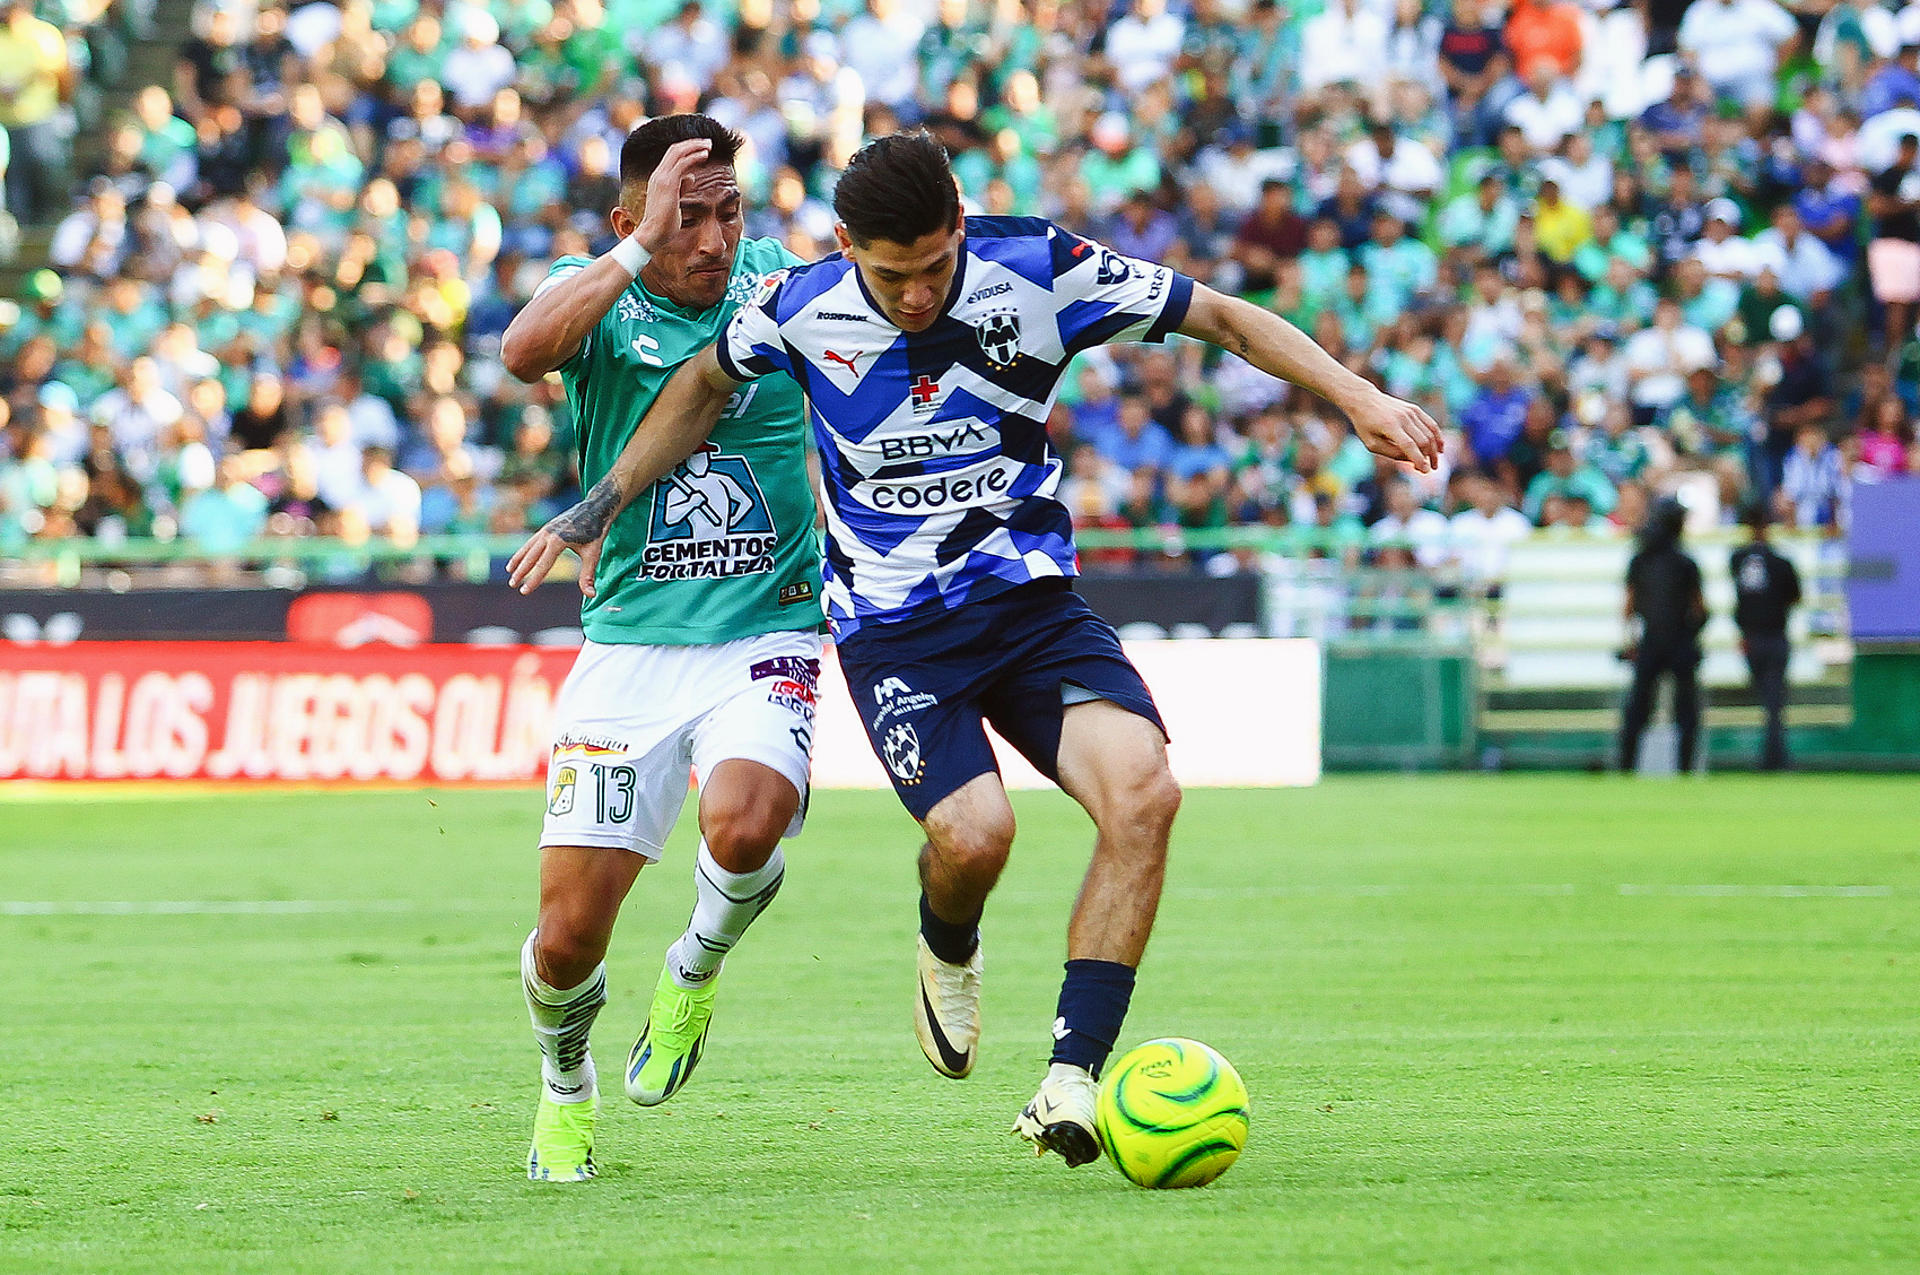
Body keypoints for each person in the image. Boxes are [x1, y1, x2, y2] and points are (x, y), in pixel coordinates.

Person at [509, 131, 1442, 1168]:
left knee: (1145, 793)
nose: (916, 296)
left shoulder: (1038, 268)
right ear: (847, 249)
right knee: (976, 839)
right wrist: (599, 505)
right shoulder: (800, 304)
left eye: (934, 267)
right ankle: (946, 941)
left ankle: (1071, 1077)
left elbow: (1220, 314)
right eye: (890, 276)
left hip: (1027, 606)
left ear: (960, 223)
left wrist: (1360, 396)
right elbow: (688, 386)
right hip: (897, 632)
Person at [496, 115, 820, 1184]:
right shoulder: (596, 289)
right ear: (630, 220)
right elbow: (522, 354)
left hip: (766, 626)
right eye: (689, 217)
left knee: (747, 819)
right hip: (631, 645)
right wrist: (640, 247)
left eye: (730, 212)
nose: (715, 239)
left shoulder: (780, 284)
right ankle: (565, 1083)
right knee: (564, 944)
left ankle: (694, 967)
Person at [1618, 498, 1708, 773]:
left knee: (1638, 708)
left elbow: (1628, 608)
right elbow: (1699, 608)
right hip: (1680, 640)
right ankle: (1684, 768)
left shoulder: (1640, 559)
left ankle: (1626, 766)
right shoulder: (1685, 562)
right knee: (1686, 711)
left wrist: (1631, 640)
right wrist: (1694, 632)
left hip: (1651, 640)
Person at [1729, 501, 1801, 770]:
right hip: (1774, 635)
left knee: (1767, 697)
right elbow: (1795, 597)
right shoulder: (1781, 562)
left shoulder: (1737, 560)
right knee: (1774, 700)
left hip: (1752, 637)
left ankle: (1772, 757)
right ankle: (1775, 758)